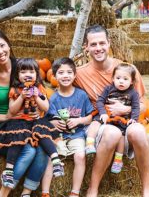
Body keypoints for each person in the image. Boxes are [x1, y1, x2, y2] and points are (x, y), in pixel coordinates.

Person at [74, 24, 149, 197]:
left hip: (127, 121)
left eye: (102, 43)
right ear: (86, 47)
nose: (98, 48)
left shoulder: (126, 70)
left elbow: (144, 105)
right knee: (111, 133)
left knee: (139, 132)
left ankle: (146, 189)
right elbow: (64, 93)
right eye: (93, 44)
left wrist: (126, 108)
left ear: (109, 43)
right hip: (102, 124)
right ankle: (93, 188)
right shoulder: (79, 74)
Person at [0, 29, 49, 197]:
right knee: (28, 150)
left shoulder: (22, 68)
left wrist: (37, 113)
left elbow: (41, 93)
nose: (0, 51)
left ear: (8, 44)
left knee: (42, 146)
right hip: (0, 127)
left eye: (2, 45)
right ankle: (3, 193)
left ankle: (27, 192)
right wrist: (6, 116)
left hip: (27, 123)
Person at [0, 58, 64, 189]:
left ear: (37, 74)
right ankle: (9, 171)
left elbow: (45, 107)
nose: (27, 74)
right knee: (17, 139)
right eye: (23, 71)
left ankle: (56, 160)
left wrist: (37, 96)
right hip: (19, 122)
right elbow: (12, 109)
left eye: (31, 71)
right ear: (18, 75)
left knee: (42, 133)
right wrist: (21, 96)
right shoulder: (15, 90)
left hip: (34, 122)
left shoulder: (39, 88)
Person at [47, 57, 94, 197]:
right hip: (59, 137)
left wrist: (79, 120)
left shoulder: (81, 95)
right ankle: (45, 192)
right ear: (54, 76)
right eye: (61, 72)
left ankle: (75, 192)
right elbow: (48, 120)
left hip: (77, 135)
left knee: (80, 156)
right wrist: (54, 123)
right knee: (50, 156)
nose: (65, 75)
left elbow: (90, 117)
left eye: (69, 72)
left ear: (74, 75)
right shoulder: (53, 98)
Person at [85, 63, 140, 175]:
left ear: (131, 82)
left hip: (121, 119)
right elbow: (100, 101)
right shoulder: (108, 89)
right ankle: (89, 144)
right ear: (113, 79)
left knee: (121, 136)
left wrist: (134, 118)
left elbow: (136, 107)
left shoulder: (133, 93)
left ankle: (118, 160)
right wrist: (103, 113)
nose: (121, 81)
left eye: (125, 79)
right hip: (107, 115)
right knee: (95, 123)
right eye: (118, 78)